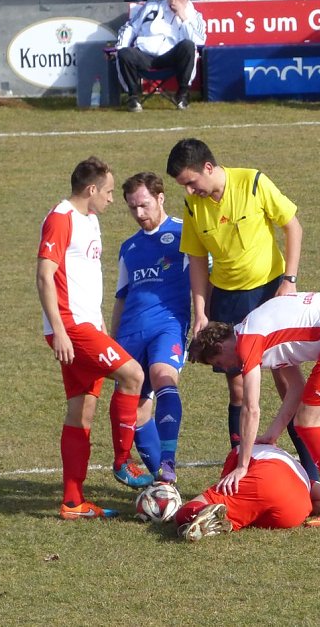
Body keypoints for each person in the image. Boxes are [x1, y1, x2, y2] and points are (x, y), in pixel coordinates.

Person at [166, 137, 320, 484]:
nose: (190, 190)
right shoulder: (193, 206)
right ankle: (243, 464)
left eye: (192, 182)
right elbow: (195, 261)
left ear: (209, 167)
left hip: (270, 291)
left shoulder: (252, 182)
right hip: (227, 300)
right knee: (237, 388)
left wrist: (289, 279)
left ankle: (313, 472)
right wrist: (201, 311)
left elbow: (292, 225)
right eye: (184, 186)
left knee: (285, 380)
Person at [187, 291, 320, 527]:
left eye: (219, 363)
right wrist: (273, 434)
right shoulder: (260, 334)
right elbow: (296, 389)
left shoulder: (248, 340)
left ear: (220, 346)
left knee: (308, 422)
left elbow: (251, 408)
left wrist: (243, 465)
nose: (226, 368)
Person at [36, 157, 154, 521]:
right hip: (71, 328)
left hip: (87, 324)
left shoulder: (90, 220)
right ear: (90, 190)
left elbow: (84, 276)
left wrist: (100, 320)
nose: (111, 199)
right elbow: (44, 276)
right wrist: (59, 331)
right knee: (133, 374)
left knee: (81, 411)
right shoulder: (61, 219)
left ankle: (72, 502)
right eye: (106, 191)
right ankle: (123, 461)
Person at [111, 172, 191, 484]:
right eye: (133, 208)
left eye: (144, 205)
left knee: (164, 377)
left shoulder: (186, 233)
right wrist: (112, 343)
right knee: (140, 413)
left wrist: (206, 318)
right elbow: (122, 297)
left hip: (168, 326)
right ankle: (163, 481)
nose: (139, 214)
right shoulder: (128, 247)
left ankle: (168, 466)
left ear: (160, 198)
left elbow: (207, 278)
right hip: (130, 333)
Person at [175, 443, 320, 542]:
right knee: (252, 512)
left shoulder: (238, 451)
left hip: (265, 480)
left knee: (183, 514)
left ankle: (200, 514)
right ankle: (226, 520)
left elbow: (228, 483)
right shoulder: (298, 469)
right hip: (295, 511)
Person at [114, 0, 206, 112]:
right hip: (145, 54)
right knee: (124, 53)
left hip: (170, 57)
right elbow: (130, 27)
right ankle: (133, 96)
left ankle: (182, 95)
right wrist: (120, 46)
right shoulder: (151, 6)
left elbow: (199, 41)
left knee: (189, 46)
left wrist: (183, 17)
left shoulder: (194, 16)